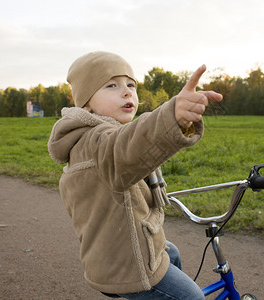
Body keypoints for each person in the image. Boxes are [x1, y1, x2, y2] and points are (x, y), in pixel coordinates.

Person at [48, 51, 222, 299]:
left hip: (113, 253)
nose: (127, 91)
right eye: (112, 85)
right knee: (191, 297)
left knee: (171, 253)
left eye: (131, 85)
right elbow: (129, 147)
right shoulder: (95, 141)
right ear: (86, 103)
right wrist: (172, 116)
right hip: (127, 267)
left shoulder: (96, 137)